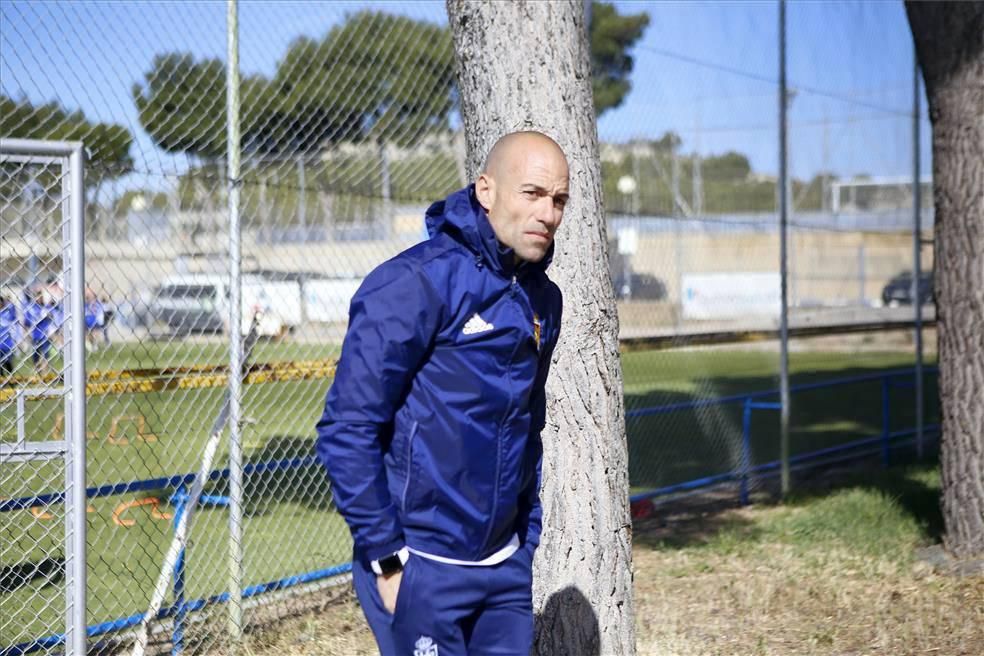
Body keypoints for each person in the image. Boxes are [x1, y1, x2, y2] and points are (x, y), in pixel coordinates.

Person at [316, 131, 569, 655]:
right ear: (486, 190)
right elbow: (347, 430)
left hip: (504, 568)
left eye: (559, 199)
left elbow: (528, 422)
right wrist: (387, 559)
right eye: (532, 193)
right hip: (421, 565)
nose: (548, 213)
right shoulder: (413, 283)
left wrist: (527, 537)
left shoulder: (543, 300)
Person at [0, 291, 18, 380]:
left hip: (7, 341)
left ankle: (12, 378)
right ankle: (2, 379)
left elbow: (14, 314)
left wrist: (9, 300)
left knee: (8, 361)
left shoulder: (8, 312)